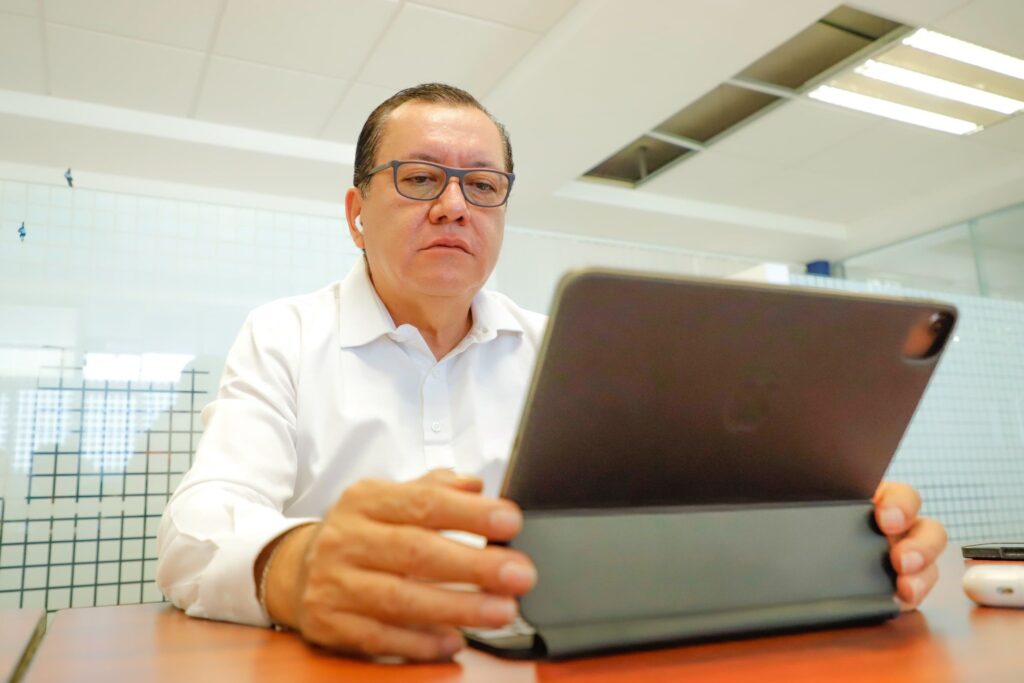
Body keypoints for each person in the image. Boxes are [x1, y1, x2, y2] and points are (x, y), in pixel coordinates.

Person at [156, 83, 948, 662]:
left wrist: (832, 525)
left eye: (482, 185)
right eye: (420, 177)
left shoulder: (565, 346)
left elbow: (651, 519)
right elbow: (196, 528)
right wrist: (296, 567)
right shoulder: (285, 334)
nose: (454, 205)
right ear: (357, 211)